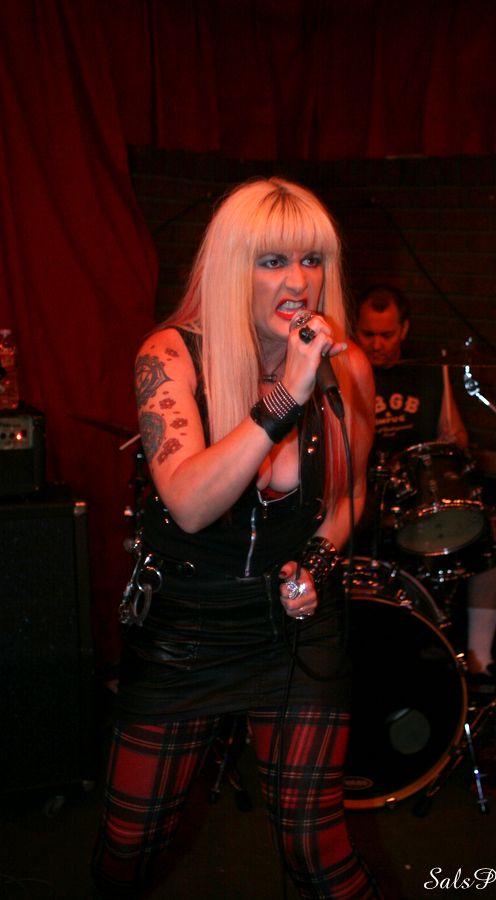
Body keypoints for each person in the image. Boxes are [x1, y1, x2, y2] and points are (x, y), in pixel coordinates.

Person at [91, 177, 379, 899]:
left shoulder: (346, 365)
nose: (298, 282)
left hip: (295, 631)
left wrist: (316, 561)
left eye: (311, 260)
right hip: (186, 626)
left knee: (315, 844)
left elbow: (349, 494)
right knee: (132, 843)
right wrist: (285, 397)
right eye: (272, 261)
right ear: (230, 267)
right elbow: (190, 503)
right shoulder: (170, 356)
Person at [354, 284, 496, 681]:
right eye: (368, 334)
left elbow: (453, 438)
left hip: (416, 499)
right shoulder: (348, 373)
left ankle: (479, 661)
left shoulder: (429, 371)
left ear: (404, 329)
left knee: (490, 537)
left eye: (386, 335)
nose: (376, 344)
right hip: (363, 501)